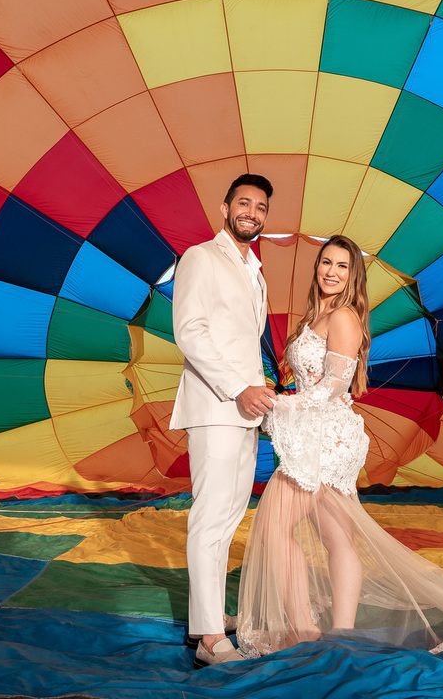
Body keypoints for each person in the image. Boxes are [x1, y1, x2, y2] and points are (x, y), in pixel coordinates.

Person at [236, 235, 443, 658]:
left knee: (275, 528)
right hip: (320, 430)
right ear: (317, 267)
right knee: (337, 536)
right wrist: (283, 401)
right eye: (326, 262)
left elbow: (334, 385)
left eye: (342, 266)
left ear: (353, 275)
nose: (331, 272)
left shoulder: (342, 316)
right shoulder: (316, 315)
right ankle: (342, 630)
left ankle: (304, 631)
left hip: (325, 435)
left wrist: (281, 404)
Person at [170, 173, 277, 667]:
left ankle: (205, 619)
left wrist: (258, 386)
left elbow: (241, 343)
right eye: (244, 203)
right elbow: (190, 332)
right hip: (216, 407)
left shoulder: (255, 270)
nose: (251, 212)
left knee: (228, 517)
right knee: (210, 517)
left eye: (260, 207)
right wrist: (239, 389)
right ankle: (211, 640)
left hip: (244, 411)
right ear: (225, 208)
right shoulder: (200, 257)